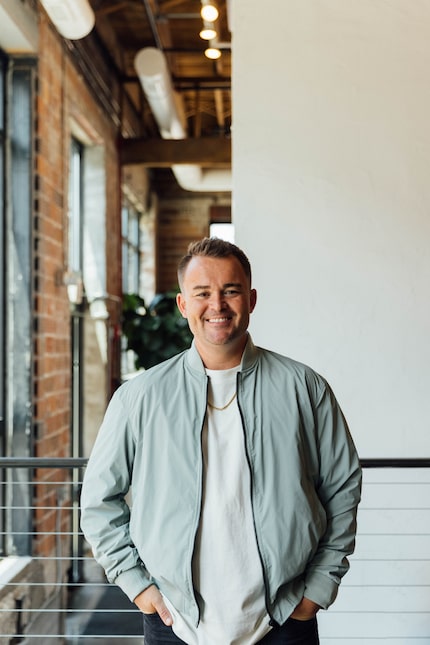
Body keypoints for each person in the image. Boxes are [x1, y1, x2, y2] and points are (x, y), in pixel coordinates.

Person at [80, 237, 362, 645]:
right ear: (183, 305)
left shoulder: (305, 387)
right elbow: (98, 501)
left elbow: (343, 488)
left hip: (284, 619)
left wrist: (316, 592)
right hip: (174, 623)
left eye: (230, 291)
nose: (218, 305)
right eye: (202, 293)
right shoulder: (140, 397)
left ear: (251, 299)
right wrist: (139, 587)